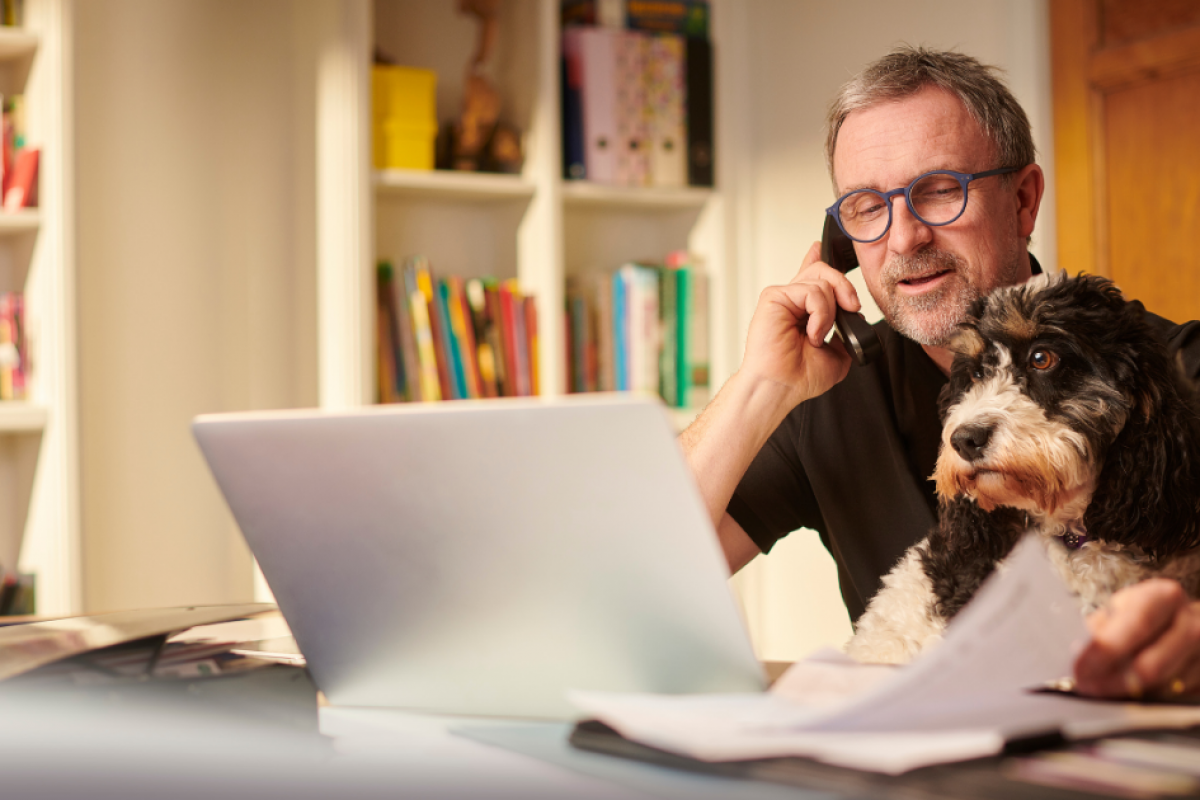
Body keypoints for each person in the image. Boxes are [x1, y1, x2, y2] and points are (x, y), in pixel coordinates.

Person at [679, 46, 1200, 700]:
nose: (903, 240)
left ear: (1023, 200)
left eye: (939, 190)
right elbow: (630, 572)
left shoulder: (1175, 368)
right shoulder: (826, 392)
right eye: (866, 207)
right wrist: (760, 387)